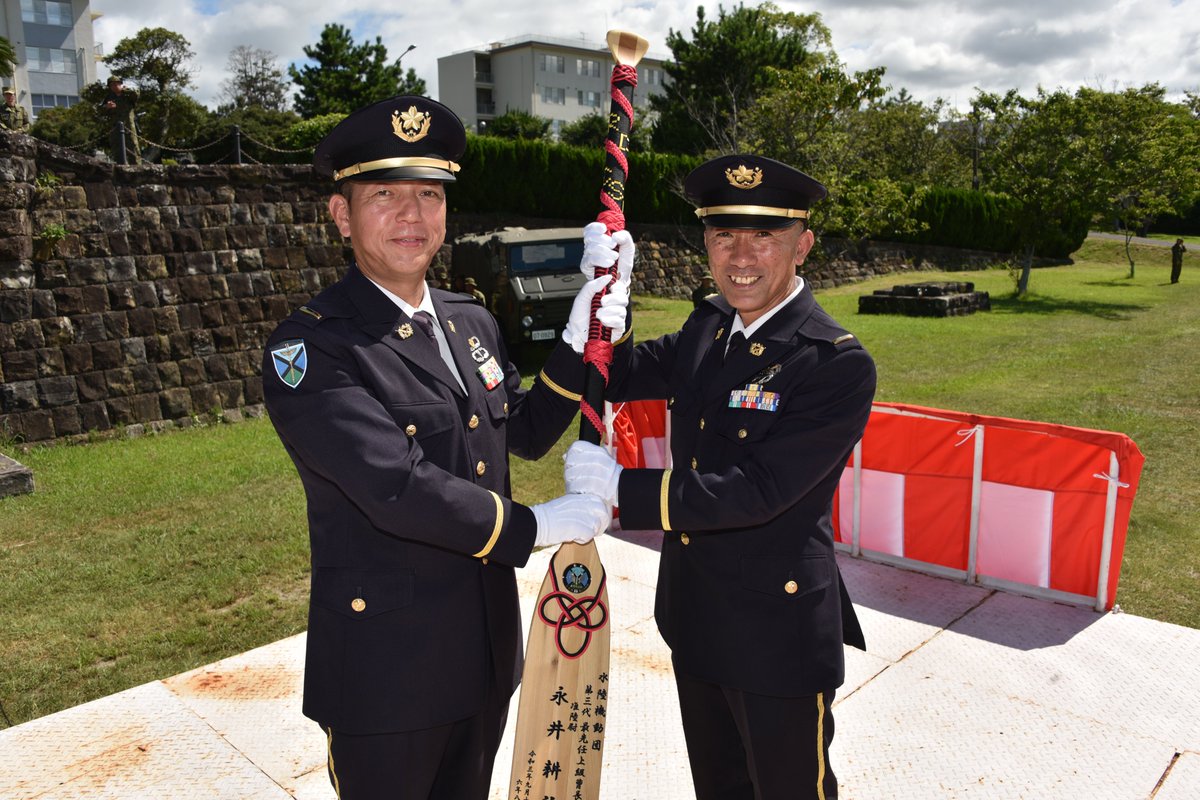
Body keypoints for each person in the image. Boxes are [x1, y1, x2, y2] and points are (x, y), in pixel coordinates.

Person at [261, 95, 626, 800]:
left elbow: (520, 428)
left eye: (428, 194)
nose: (411, 215)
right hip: (386, 677)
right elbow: (393, 484)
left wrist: (580, 338)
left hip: (483, 656)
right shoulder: (312, 347)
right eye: (385, 195)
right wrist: (535, 527)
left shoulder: (469, 321)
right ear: (341, 216)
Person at [565, 154, 876, 799]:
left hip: (776, 633)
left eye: (764, 235)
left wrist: (620, 492)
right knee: (720, 788)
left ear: (803, 243)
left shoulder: (833, 363)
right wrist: (604, 302)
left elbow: (758, 491)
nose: (741, 255)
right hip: (696, 614)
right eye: (723, 235)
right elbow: (620, 375)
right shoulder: (710, 326)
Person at [100, 76, 139, 164]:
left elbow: (136, 94)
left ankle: (137, 170)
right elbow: (100, 111)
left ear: (120, 84)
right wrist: (107, 107)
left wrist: (125, 90)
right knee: (117, 149)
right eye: (112, 85)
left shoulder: (128, 94)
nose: (114, 86)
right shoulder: (109, 97)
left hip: (128, 126)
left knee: (133, 148)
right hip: (115, 127)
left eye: (116, 84)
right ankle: (121, 169)